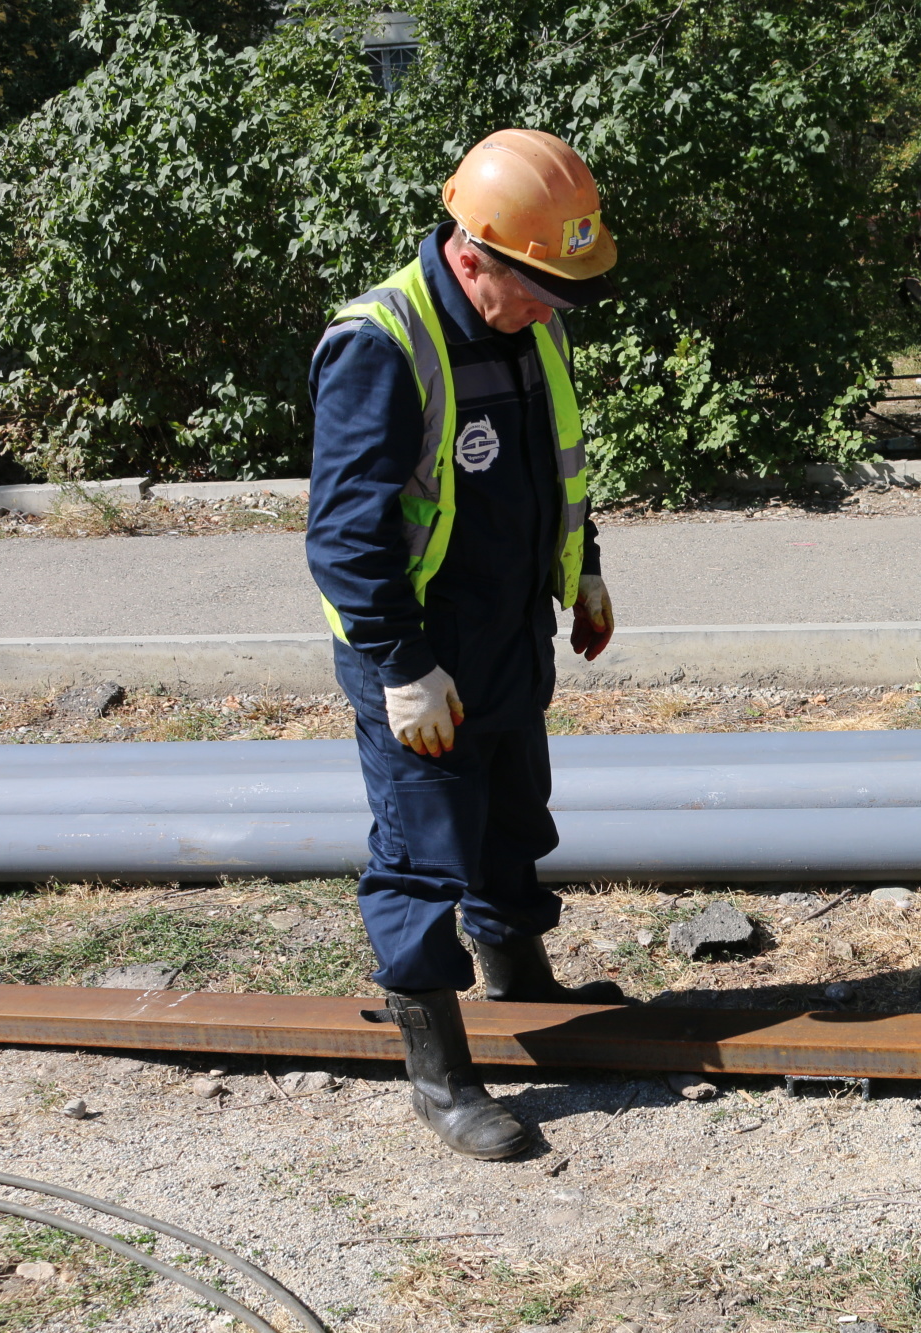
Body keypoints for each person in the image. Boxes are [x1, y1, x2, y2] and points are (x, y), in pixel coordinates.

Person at [307, 128, 624, 1160]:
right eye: (536, 286)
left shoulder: (528, 322)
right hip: (422, 650)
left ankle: (521, 984)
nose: (551, 308)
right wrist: (401, 664)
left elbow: (550, 466)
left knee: (509, 819)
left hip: (506, 631)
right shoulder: (382, 343)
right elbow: (344, 537)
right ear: (472, 253)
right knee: (421, 855)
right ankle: (440, 1076)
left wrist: (585, 571)